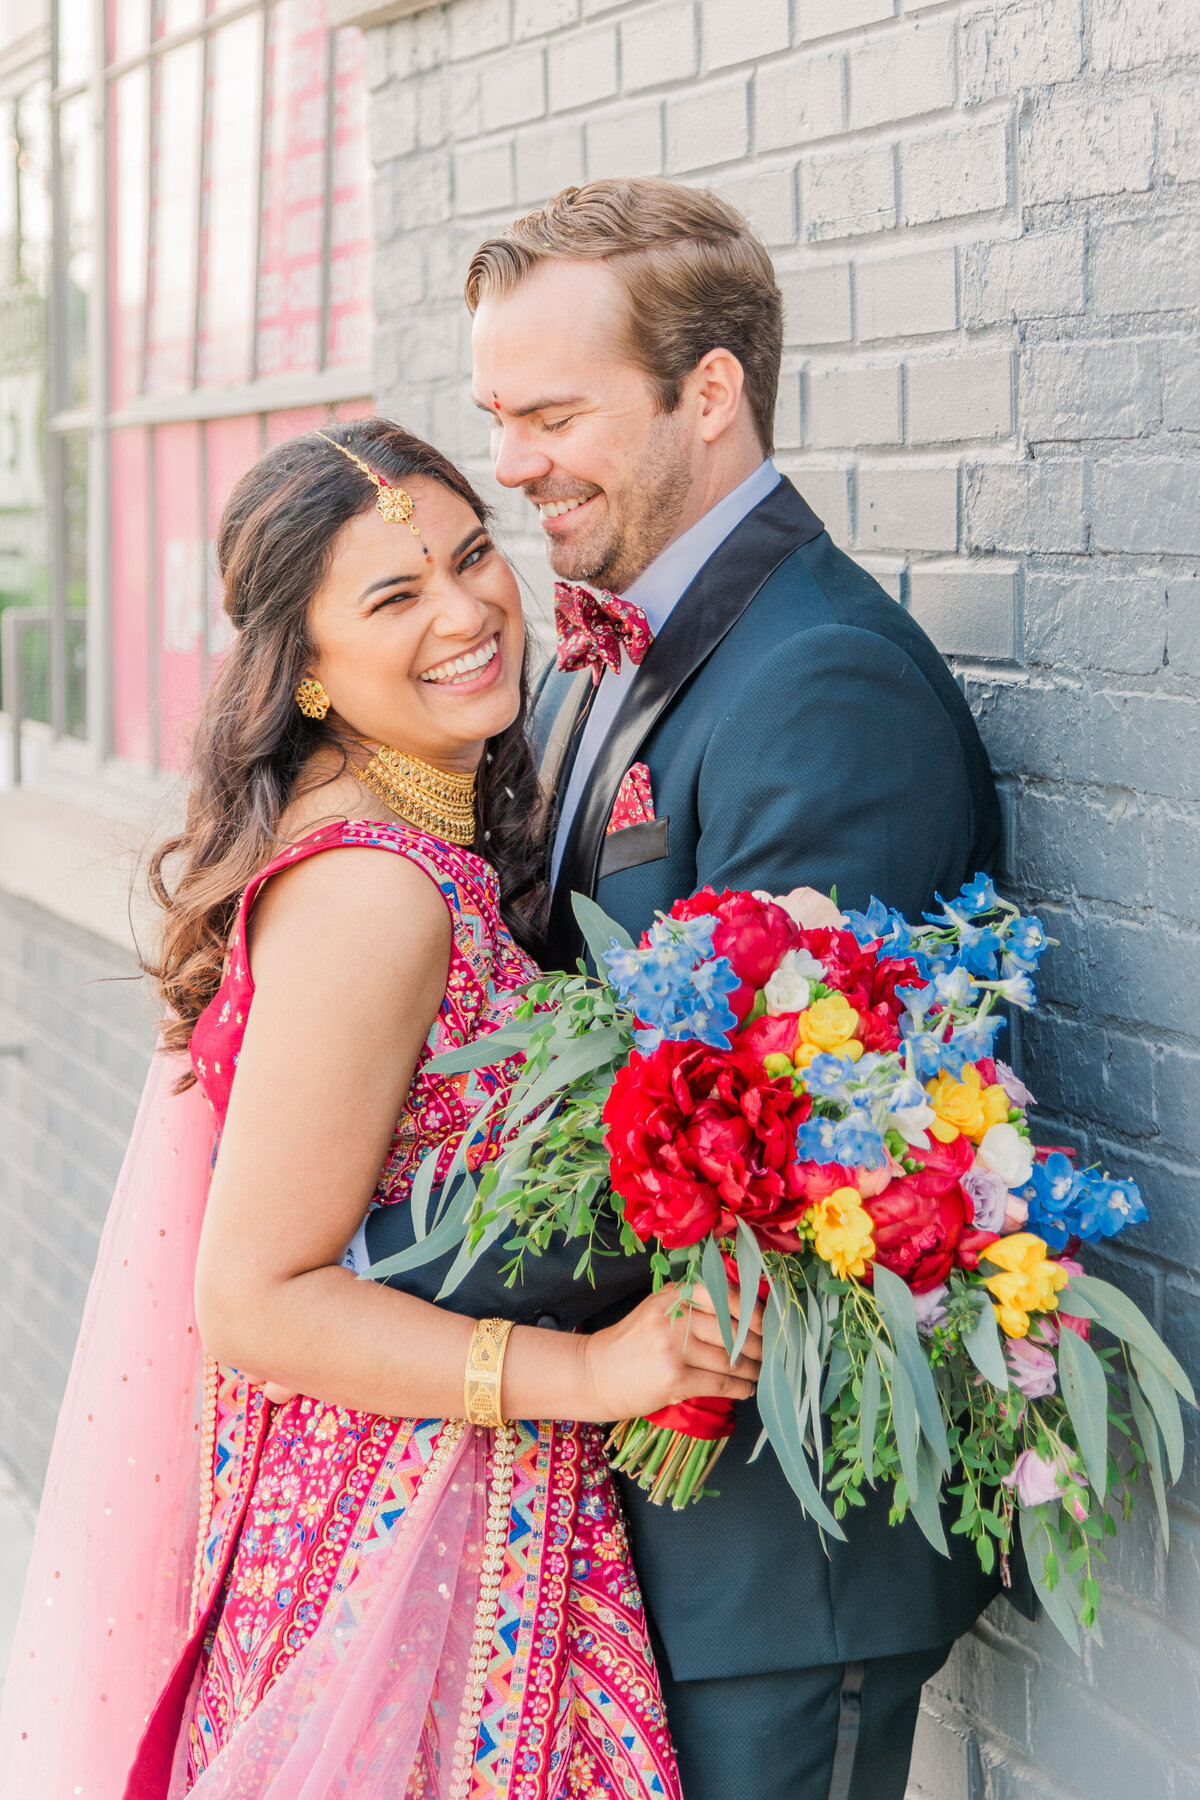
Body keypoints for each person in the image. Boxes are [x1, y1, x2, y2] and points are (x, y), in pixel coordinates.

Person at [370, 179, 1019, 1800]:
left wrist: (357, 1282)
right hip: (657, 1519)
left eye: (552, 414)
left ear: (708, 391)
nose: (512, 463)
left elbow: (735, 1144)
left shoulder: (822, 684)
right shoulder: (628, 645)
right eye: (495, 416)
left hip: (779, 1562)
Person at [0, 420, 761, 1798]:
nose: (467, 612)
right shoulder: (372, 890)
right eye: (395, 597)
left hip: (445, 1508)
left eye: (473, 556)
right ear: (304, 673)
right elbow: (257, 1296)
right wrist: (589, 1376)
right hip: (395, 1553)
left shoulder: (419, 833)